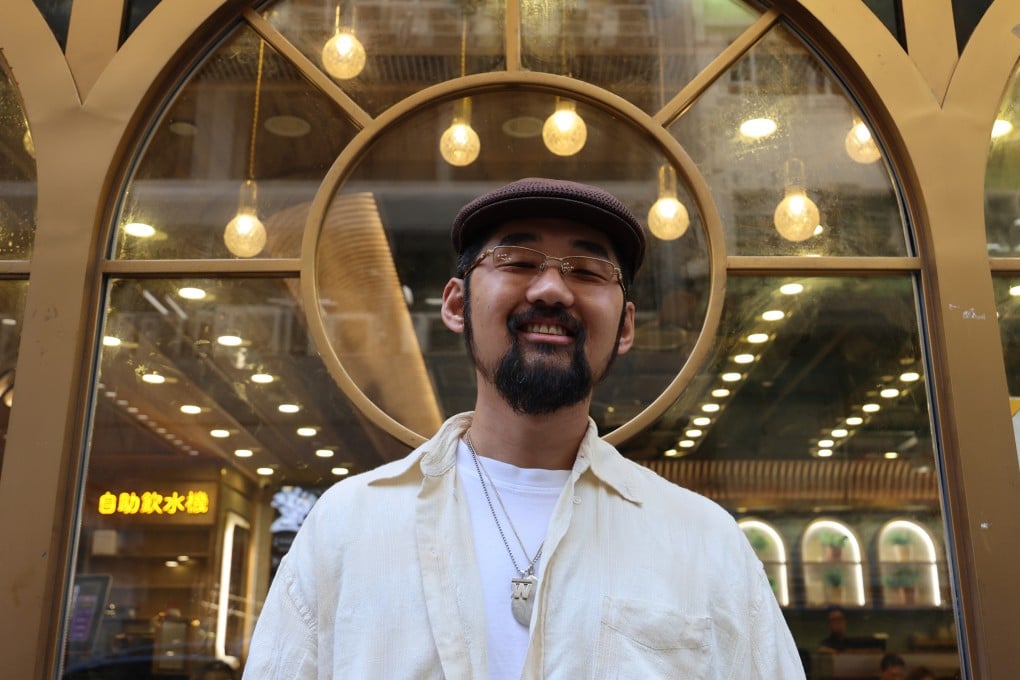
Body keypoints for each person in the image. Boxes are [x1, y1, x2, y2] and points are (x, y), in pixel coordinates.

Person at [243, 178, 805, 678]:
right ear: (457, 304)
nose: (552, 290)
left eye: (587, 271)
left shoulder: (705, 543)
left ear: (626, 325)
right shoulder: (348, 525)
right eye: (516, 261)